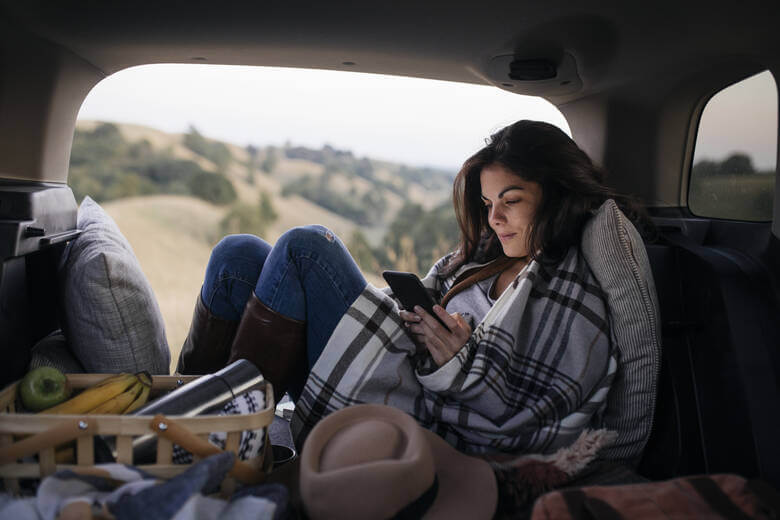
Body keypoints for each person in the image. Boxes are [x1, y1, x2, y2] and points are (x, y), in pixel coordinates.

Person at [177, 120, 643, 455]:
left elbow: (527, 417)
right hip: (393, 359)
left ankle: (220, 437)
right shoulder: (487, 256)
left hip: (416, 405)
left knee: (306, 247)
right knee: (237, 256)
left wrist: (459, 364)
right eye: (486, 203)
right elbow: (419, 293)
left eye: (512, 201)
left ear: (557, 194)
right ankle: (177, 411)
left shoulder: (570, 292)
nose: (494, 218)